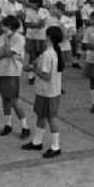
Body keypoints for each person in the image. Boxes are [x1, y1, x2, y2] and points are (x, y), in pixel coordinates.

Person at [22, 26, 64, 157]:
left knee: (51, 119)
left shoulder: (48, 54)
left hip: (47, 92)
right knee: (41, 116)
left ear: (49, 38)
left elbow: (46, 76)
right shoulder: (55, 51)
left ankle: (56, 146)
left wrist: (34, 70)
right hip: (50, 91)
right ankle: (37, 142)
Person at [0, 15, 30, 139]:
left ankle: (25, 126)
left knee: (13, 100)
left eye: (4, 25)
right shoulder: (1, 37)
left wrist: (6, 43)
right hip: (0, 71)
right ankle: (8, 124)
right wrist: (2, 51)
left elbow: (9, 53)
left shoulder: (19, 38)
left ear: (9, 26)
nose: (1, 27)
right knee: (4, 99)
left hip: (12, 72)